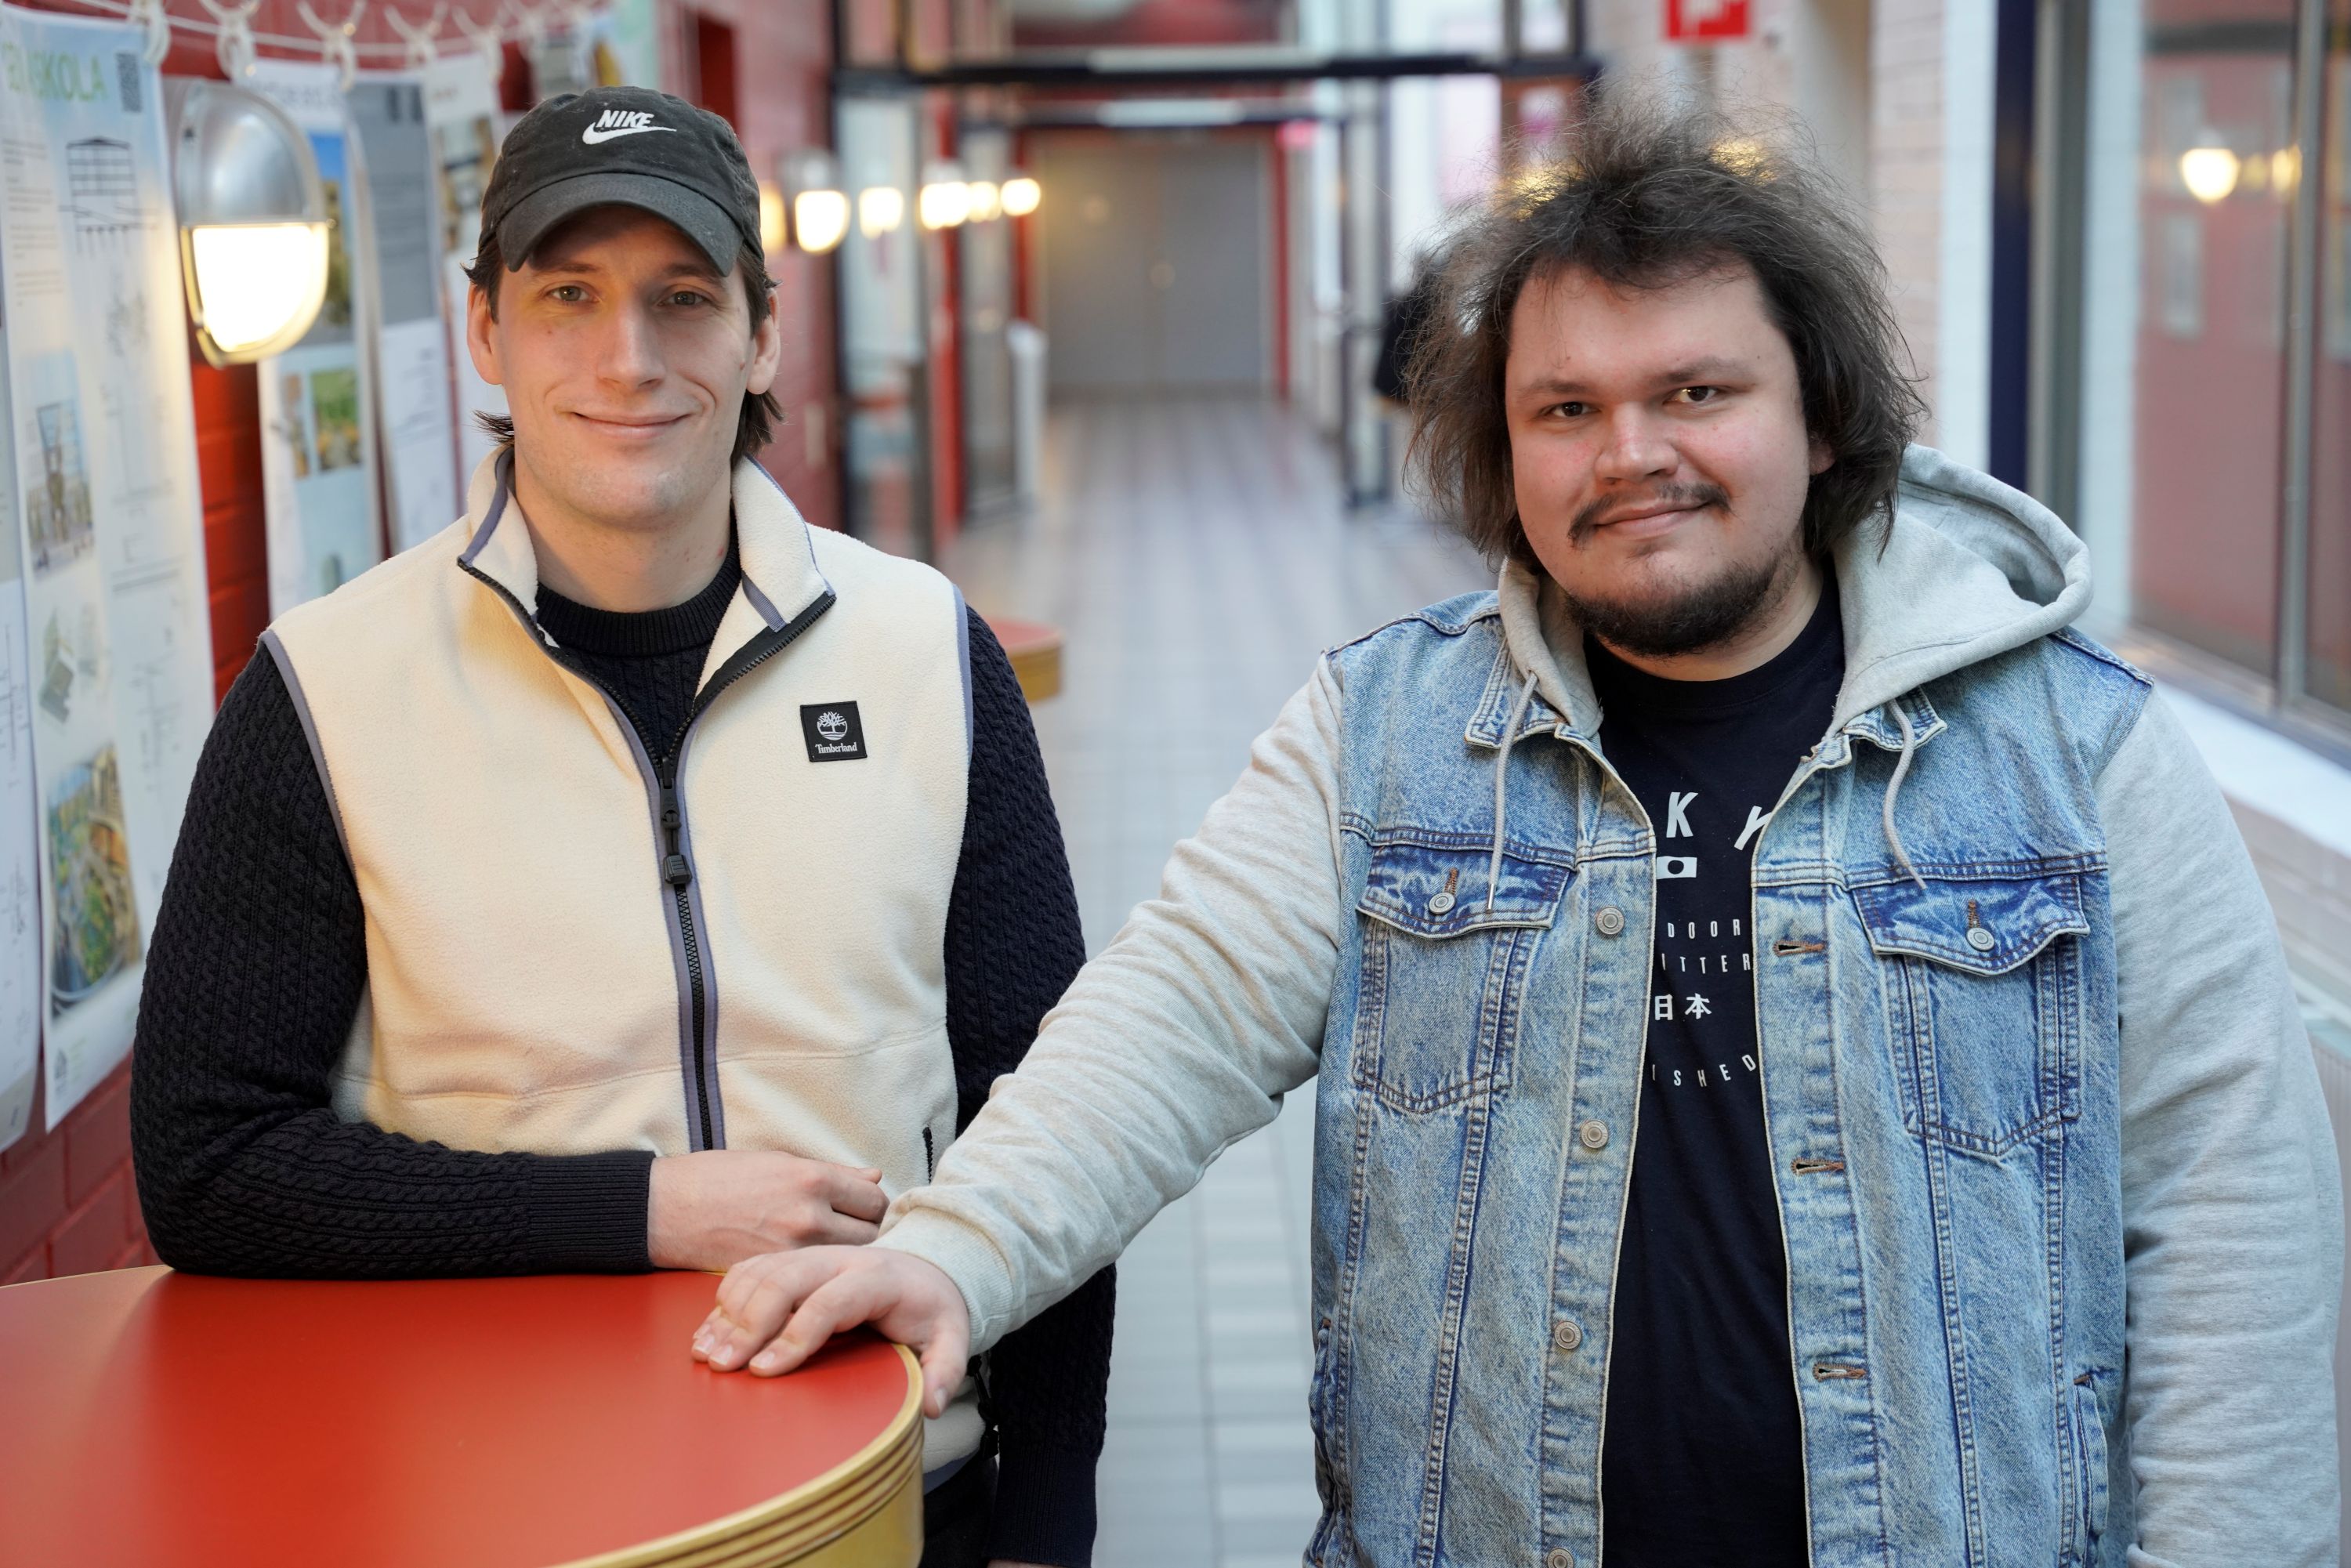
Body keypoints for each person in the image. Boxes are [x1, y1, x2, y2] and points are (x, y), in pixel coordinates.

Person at [690, 94, 2344, 1567]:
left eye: (1697, 389)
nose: (1632, 454)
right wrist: (960, 1247)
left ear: (1824, 416)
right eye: (1565, 409)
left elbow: (2236, 1224)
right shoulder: (1388, 735)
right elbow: (1172, 1014)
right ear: (1506, 447)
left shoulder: (2075, 753)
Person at [129, 85, 1110, 1568]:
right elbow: (209, 1163)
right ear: (486, 332)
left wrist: (1046, 1519)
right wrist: (641, 1209)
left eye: (683, 298)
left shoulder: (926, 652)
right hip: (500, 1514)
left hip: (896, 1499)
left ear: (762, 334)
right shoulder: (324, 691)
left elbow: (1045, 1120)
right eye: (568, 296)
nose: (628, 358)